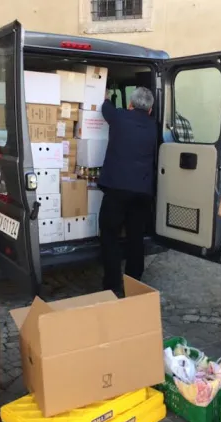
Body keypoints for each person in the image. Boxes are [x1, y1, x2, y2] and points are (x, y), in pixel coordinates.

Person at [98, 87, 158, 296]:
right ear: (150, 110)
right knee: (136, 237)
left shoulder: (119, 116)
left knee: (110, 235)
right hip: (142, 192)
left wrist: (105, 96)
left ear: (130, 104)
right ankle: (134, 280)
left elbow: (105, 107)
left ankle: (112, 285)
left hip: (117, 188)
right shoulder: (154, 126)